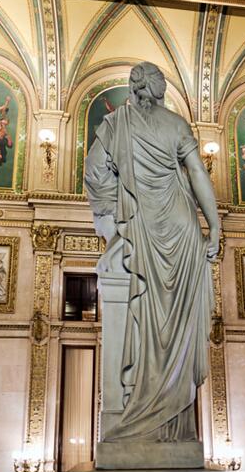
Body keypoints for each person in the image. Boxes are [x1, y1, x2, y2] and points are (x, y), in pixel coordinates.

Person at [84, 61, 219, 443]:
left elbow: (94, 172)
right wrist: (214, 226)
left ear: (133, 89)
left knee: (143, 317)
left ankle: (137, 406)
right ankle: (173, 420)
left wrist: (112, 215)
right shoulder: (177, 125)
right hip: (181, 226)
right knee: (179, 325)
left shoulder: (117, 124)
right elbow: (198, 175)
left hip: (140, 225)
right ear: (162, 92)